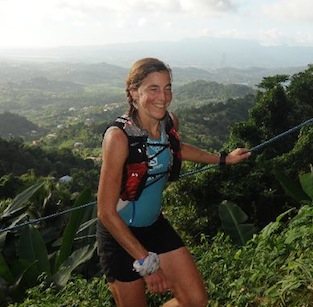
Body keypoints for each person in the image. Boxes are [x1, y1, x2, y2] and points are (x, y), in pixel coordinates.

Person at [96, 57, 251, 307]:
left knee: (195, 300)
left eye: (167, 87)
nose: (163, 96)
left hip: (155, 225)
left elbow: (178, 149)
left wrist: (223, 159)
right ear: (134, 92)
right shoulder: (119, 137)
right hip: (120, 235)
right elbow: (105, 212)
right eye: (153, 88)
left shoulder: (169, 122)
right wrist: (146, 262)